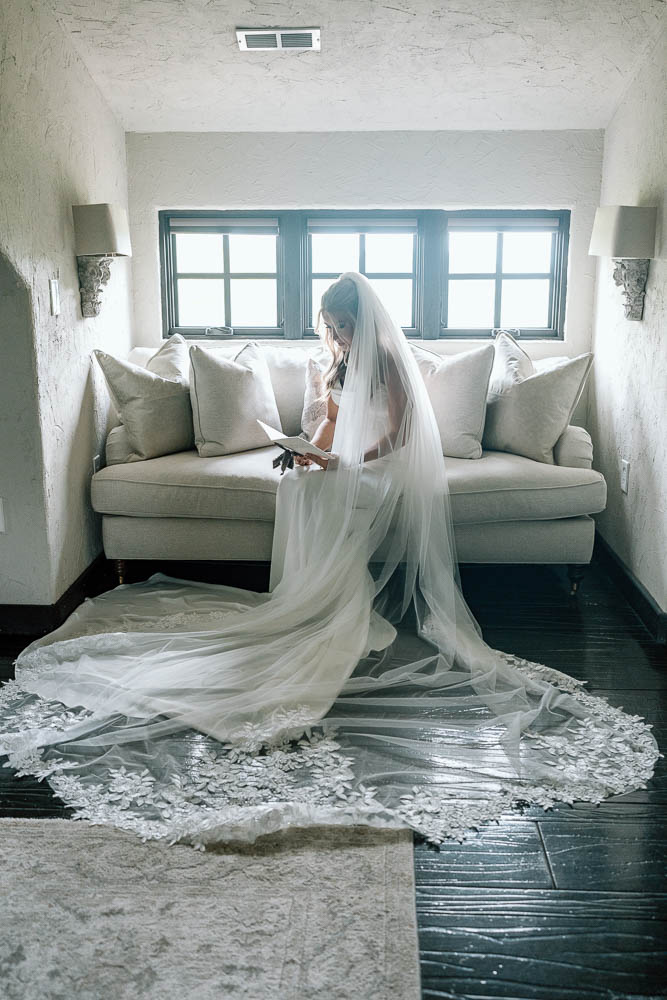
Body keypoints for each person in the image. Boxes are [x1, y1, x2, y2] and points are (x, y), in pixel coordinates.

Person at [0, 272, 658, 850]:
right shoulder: (332, 359)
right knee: (297, 480)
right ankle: (302, 591)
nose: (337, 335)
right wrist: (305, 449)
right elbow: (325, 426)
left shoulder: (390, 367)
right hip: (339, 466)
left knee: (321, 483)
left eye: (344, 326)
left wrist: (341, 461)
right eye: (331, 326)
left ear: (364, 323)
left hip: (380, 472)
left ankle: (332, 607)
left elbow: (397, 436)